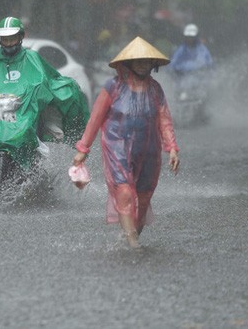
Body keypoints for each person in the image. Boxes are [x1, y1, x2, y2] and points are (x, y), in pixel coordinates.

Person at [0, 17, 88, 197]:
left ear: (20, 37)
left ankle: (36, 169)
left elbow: (47, 81)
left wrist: (40, 93)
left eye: (12, 38)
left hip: (26, 113)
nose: (8, 43)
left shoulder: (32, 58)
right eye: (5, 39)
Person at [72, 36, 180, 249]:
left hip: (149, 151)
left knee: (144, 196)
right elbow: (95, 119)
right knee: (124, 192)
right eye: (137, 60)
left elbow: (165, 120)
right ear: (128, 62)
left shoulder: (155, 89)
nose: (142, 64)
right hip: (117, 148)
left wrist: (172, 148)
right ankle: (133, 244)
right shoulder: (113, 87)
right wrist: (83, 149)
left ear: (152, 64)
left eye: (146, 60)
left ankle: (132, 236)